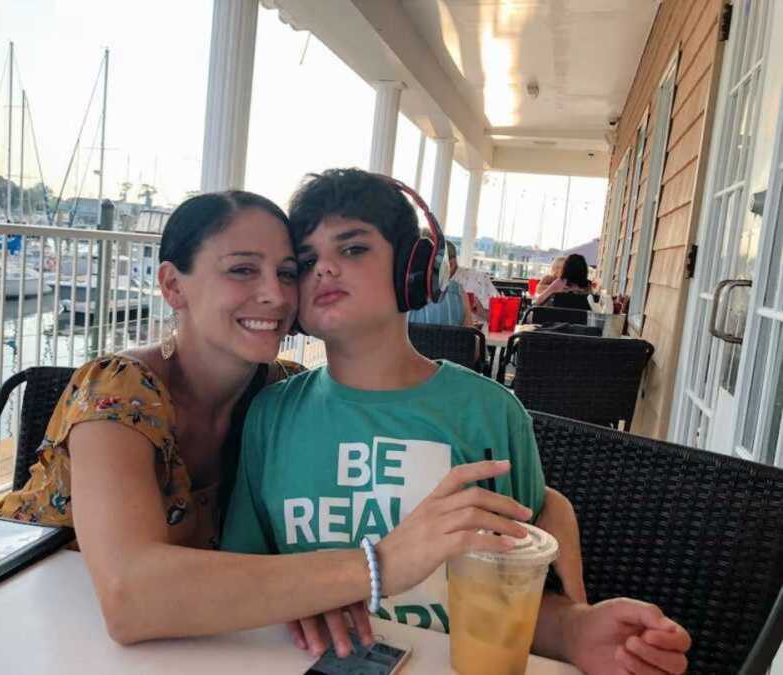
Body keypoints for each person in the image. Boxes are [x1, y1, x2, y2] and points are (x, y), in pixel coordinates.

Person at [0, 190, 534, 648]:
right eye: (242, 270)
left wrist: (557, 516)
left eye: (286, 271)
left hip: (182, 645)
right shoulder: (119, 390)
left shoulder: (279, 394)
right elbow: (131, 594)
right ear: (173, 286)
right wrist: (377, 567)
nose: (274, 294)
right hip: (15, 622)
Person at [222, 169, 690, 674]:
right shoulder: (270, 415)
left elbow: (512, 596)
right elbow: (243, 580)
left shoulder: (489, 413)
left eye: (353, 249)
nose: (325, 270)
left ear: (413, 268)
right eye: (307, 260)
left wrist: (577, 630)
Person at [407, 241, 472, 326]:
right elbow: (469, 333)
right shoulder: (459, 292)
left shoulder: (405, 295)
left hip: (412, 339)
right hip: (451, 339)